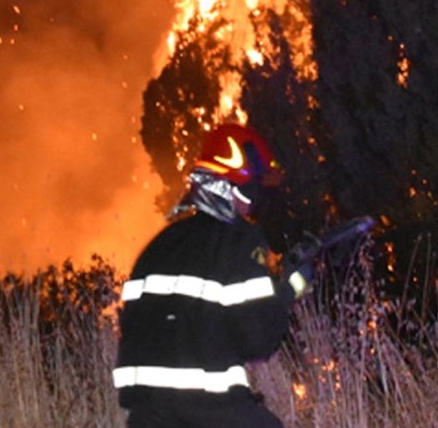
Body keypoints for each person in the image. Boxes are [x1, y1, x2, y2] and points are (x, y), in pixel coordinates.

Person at [114, 123, 311, 427]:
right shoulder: (239, 242)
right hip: (209, 411)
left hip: (146, 415)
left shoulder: (159, 246)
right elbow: (257, 340)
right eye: (251, 190)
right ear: (230, 186)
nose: (252, 204)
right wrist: (287, 291)